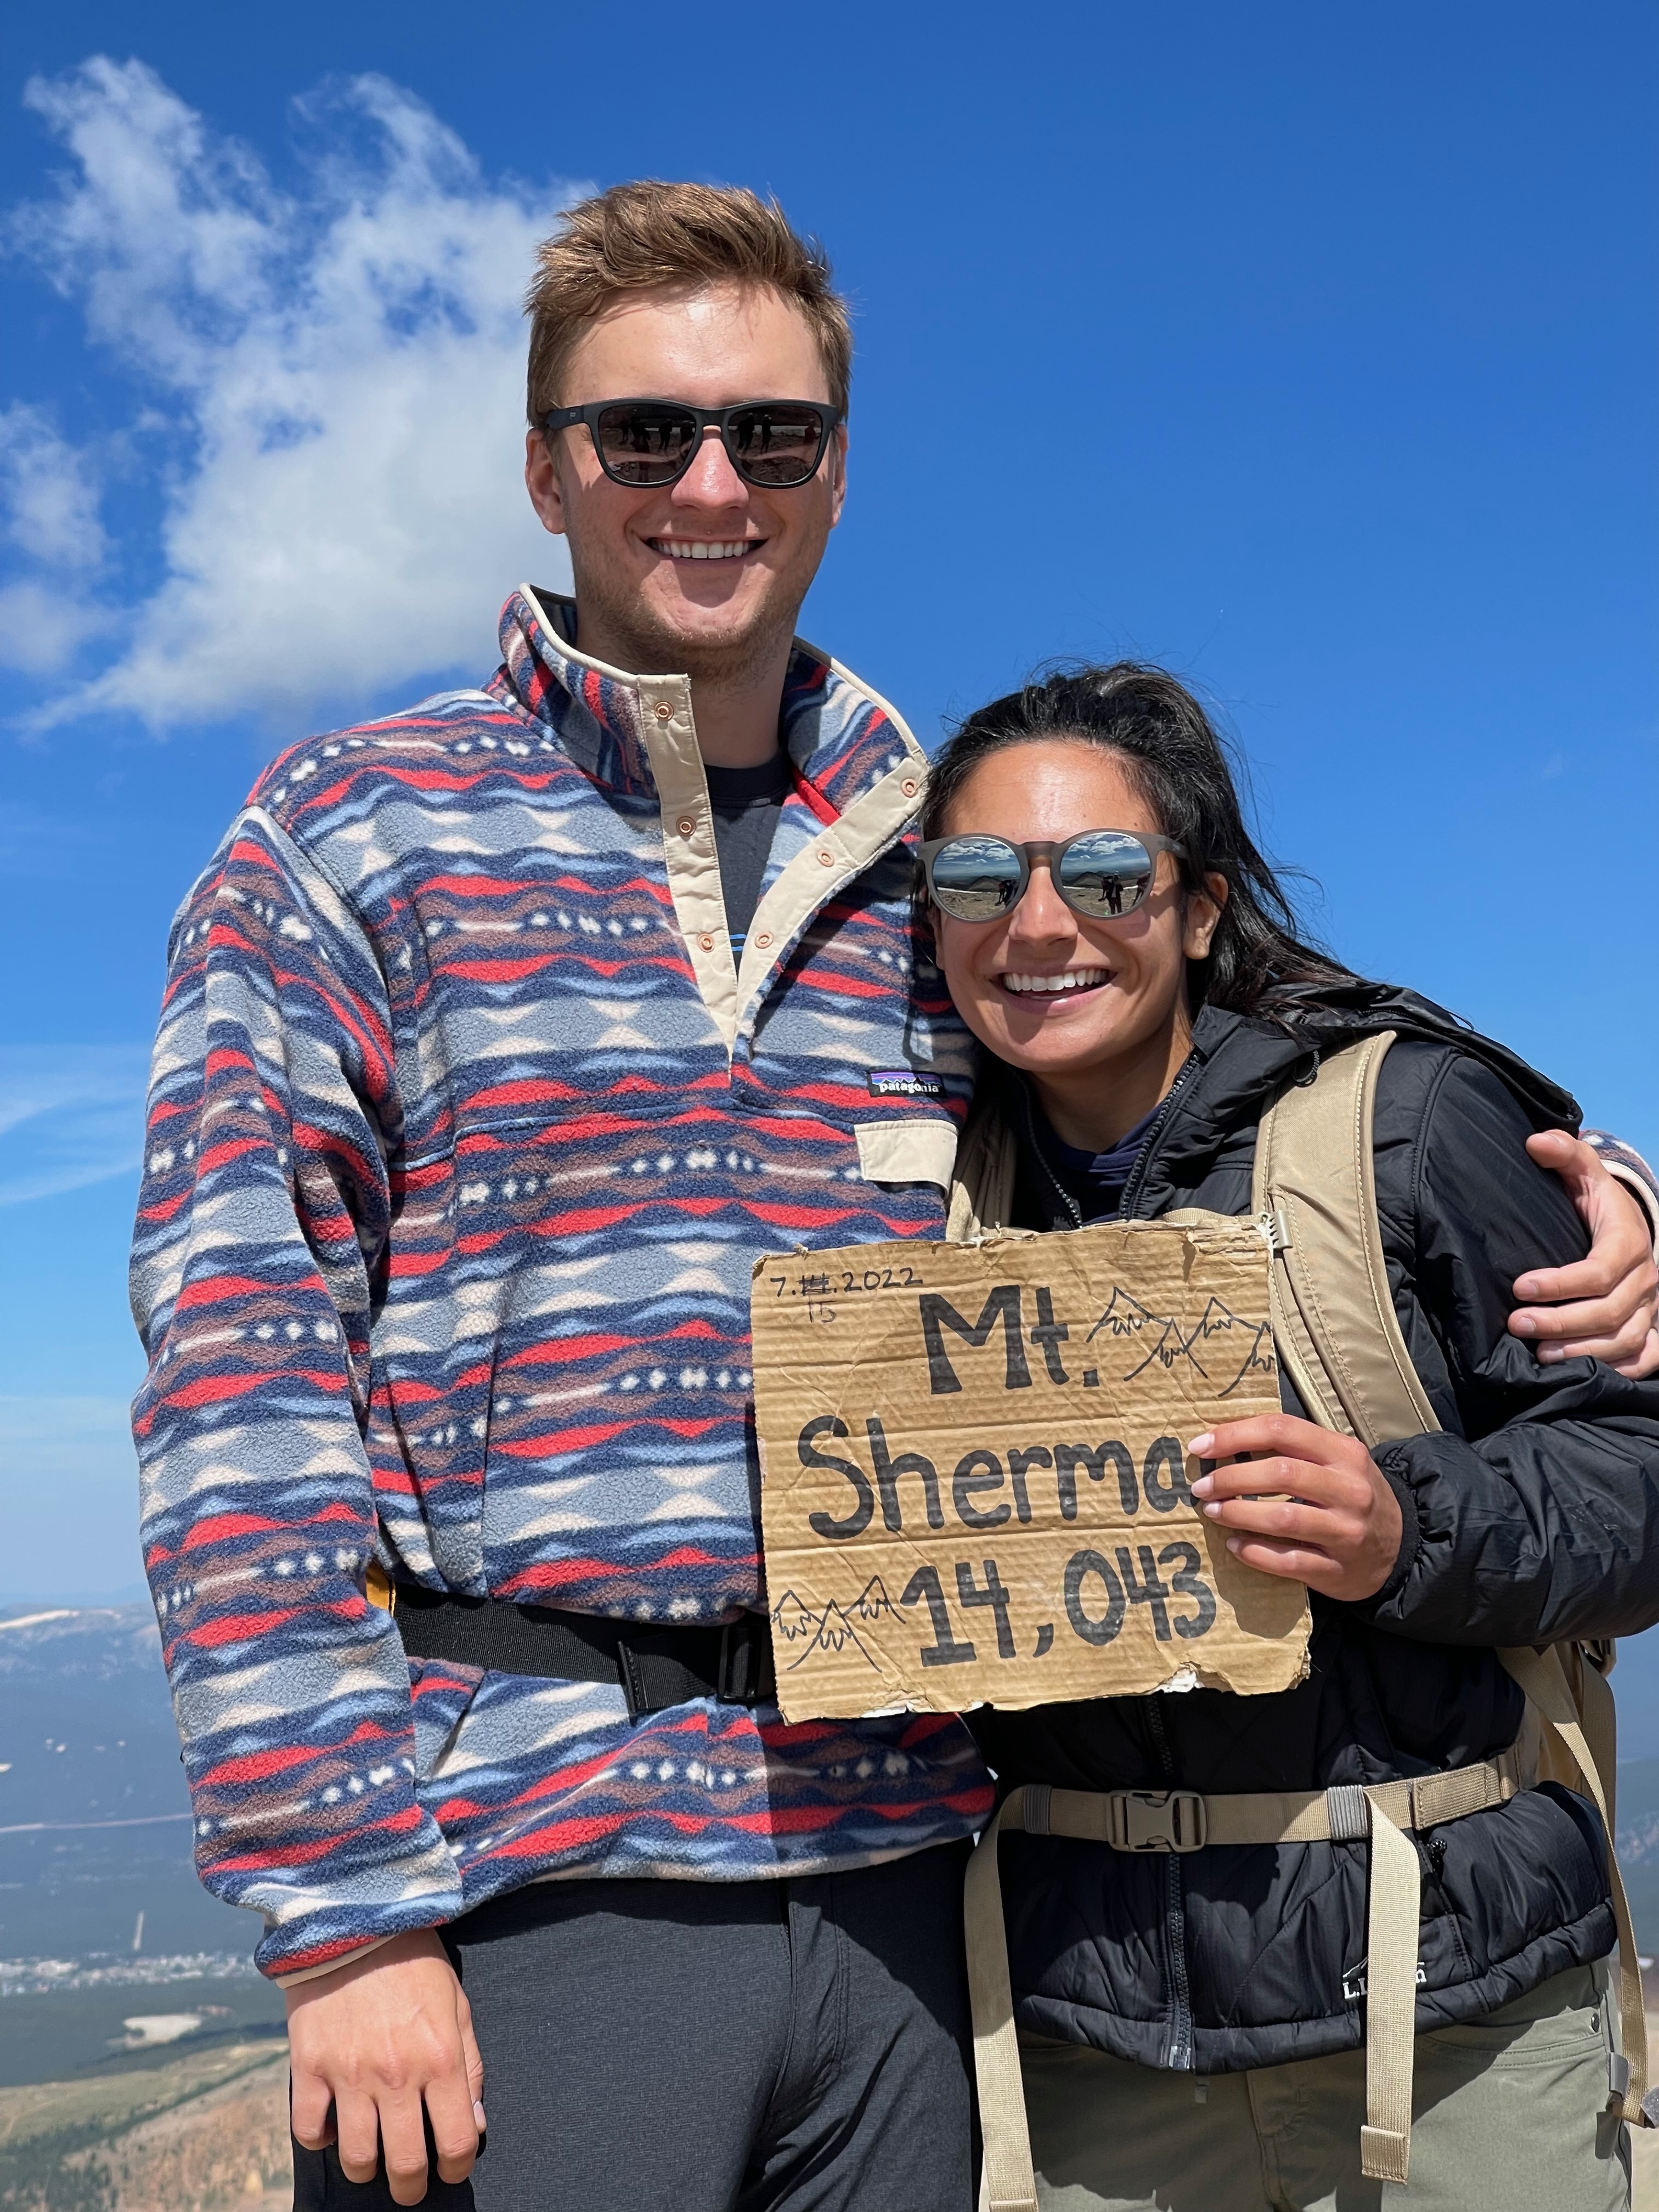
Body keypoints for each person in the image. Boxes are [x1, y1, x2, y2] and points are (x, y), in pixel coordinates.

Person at [126, 183, 1657, 2212]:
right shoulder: (354, 835)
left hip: (921, 1894)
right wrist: (342, 1915)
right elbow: (241, 1373)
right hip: (535, 1877)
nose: (710, 484)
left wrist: (1595, 1182)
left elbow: (1218, 1053)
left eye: (770, 434)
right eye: (642, 433)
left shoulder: (931, 858)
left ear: (836, 474)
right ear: (543, 471)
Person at [921, 662, 1659, 2211]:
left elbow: (1637, 1470)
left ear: (1200, 909)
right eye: (978, 878)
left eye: (1105, 875)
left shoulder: (1409, 1122)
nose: (1037, 925)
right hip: (1090, 2058)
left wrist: (1407, 1531)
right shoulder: (920, 1196)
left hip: (1454, 2026)